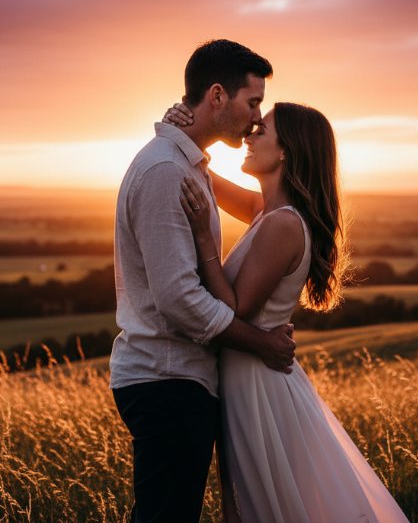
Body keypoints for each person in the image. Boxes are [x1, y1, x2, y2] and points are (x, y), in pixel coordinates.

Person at [165, 101, 411, 522]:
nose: (249, 134)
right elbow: (203, 180)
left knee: (254, 506)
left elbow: (235, 309)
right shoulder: (269, 212)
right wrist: (185, 137)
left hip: (255, 382)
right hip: (248, 372)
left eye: (262, 131)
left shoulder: (282, 224)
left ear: (285, 152)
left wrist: (207, 247)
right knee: (246, 506)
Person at [110, 39, 299, 523]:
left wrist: (191, 143)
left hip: (182, 380)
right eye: (252, 102)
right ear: (217, 95)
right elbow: (179, 301)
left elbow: (262, 211)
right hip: (166, 378)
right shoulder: (164, 172)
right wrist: (260, 342)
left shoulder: (184, 167)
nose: (256, 118)